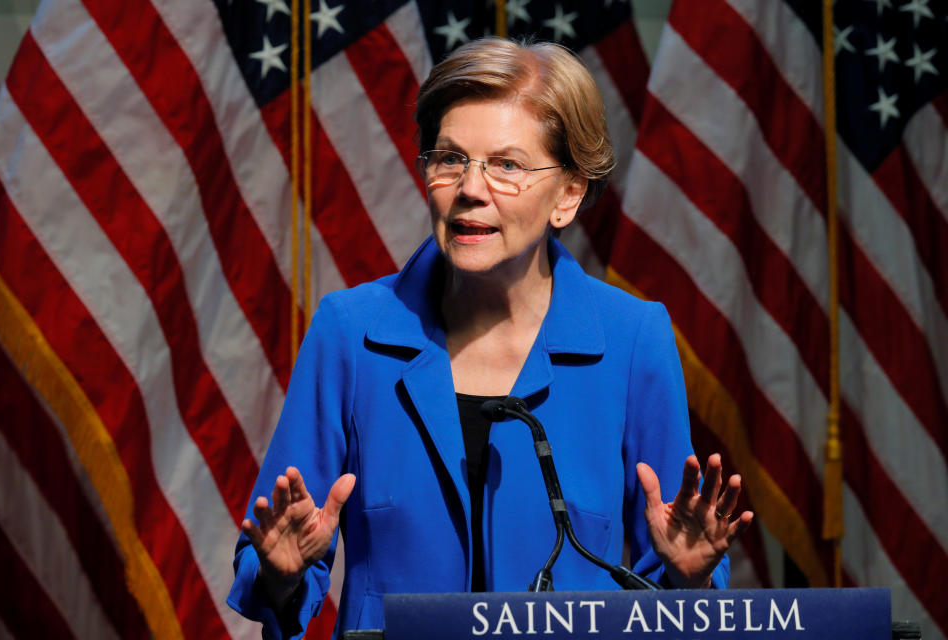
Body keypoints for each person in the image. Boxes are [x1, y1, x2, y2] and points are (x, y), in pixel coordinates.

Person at [227, 37, 753, 639]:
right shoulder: (349, 333)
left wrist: (687, 579)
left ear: (569, 194)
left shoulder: (633, 340)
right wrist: (281, 575)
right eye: (449, 158)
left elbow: (681, 585)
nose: (470, 189)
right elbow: (266, 567)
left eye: (507, 165)